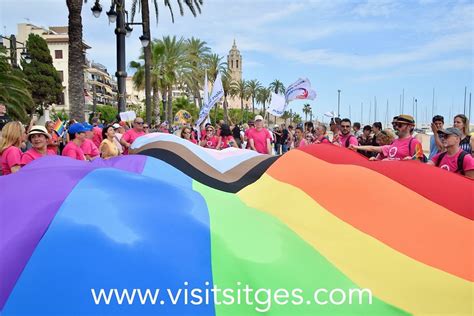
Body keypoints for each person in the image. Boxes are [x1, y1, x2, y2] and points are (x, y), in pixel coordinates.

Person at [351, 115, 424, 161]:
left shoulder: (414, 142)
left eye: (400, 125)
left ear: (409, 126)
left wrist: (410, 160)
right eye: (395, 124)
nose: (396, 127)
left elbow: (418, 160)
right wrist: (377, 161)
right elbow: (374, 148)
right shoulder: (394, 142)